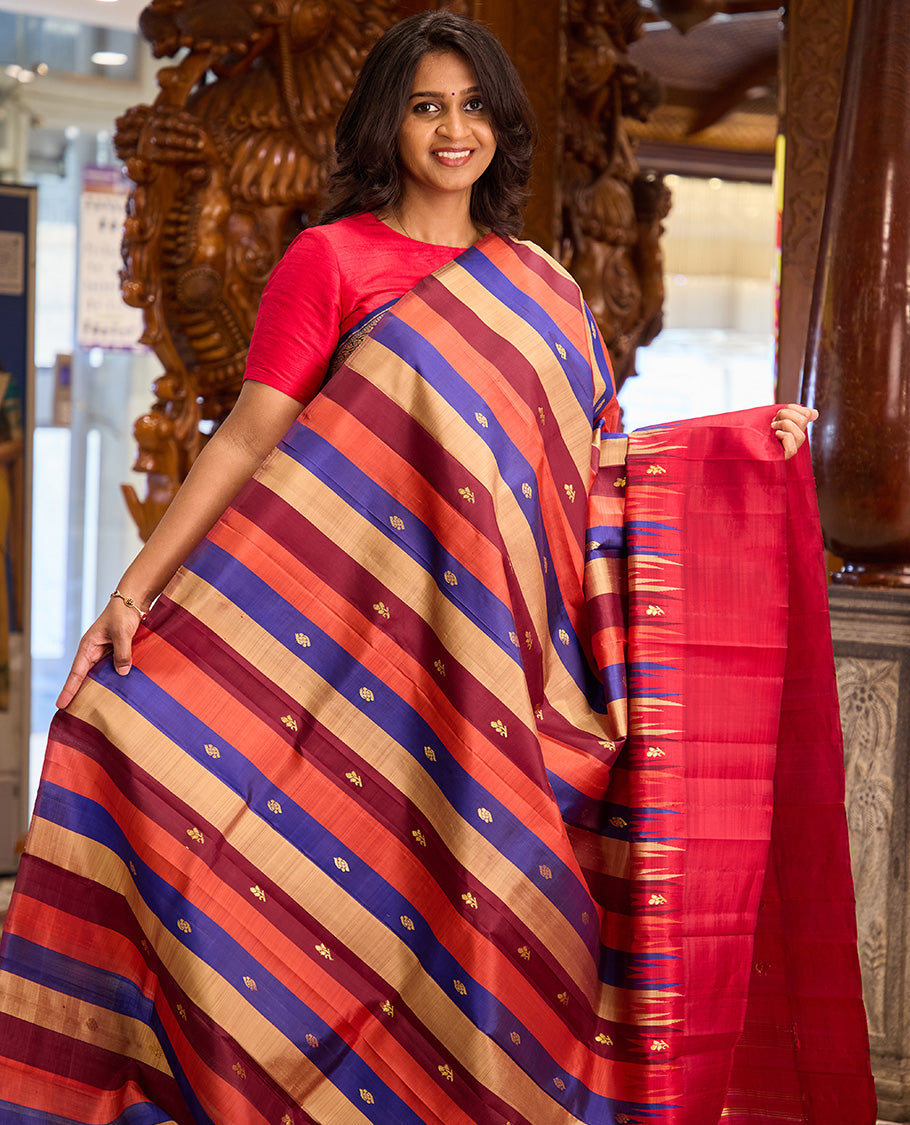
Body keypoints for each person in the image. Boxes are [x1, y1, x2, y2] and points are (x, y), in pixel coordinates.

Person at [0, 12, 874, 1125]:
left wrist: (740, 448)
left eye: (471, 106)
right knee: (279, 872)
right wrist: (133, 596)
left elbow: (589, 472)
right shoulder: (331, 261)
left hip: (498, 675)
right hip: (356, 659)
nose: (452, 129)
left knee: (469, 923)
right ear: (388, 124)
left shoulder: (544, 288)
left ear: (501, 128)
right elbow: (250, 436)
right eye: (426, 106)